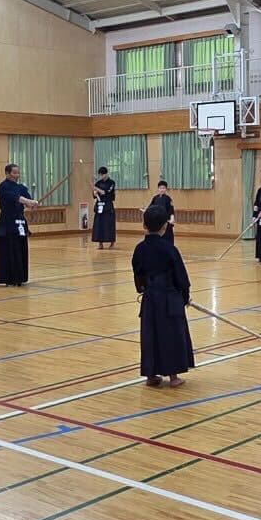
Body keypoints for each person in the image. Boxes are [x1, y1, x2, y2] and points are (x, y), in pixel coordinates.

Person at [132, 205, 195, 388]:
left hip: (150, 297)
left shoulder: (139, 249)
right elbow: (181, 277)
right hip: (169, 296)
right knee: (171, 334)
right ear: (165, 227)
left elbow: (138, 274)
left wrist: (143, 289)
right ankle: (173, 377)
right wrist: (184, 295)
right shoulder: (169, 249)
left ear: (144, 225)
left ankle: (151, 376)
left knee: (151, 335)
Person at [0, 163, 38, 286]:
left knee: (21, 249)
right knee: (9, 250)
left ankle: (20, 277)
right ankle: (8, 278)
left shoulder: (21, 187)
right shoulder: (3, 187)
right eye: (14, 173)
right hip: (7, 222)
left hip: (20, 221)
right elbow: (18, 198)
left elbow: (28, 202)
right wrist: (29, 201)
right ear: (7, 173)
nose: (17, 175)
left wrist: (33, 204)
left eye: (18, 173)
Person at [92, 166, 117, 250]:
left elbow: (105, 192)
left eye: (102, 174)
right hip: (99, 205)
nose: (101, 176)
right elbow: (94, 195)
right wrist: (94, 193)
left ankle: (112, 243)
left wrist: (97, 189)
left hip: (108, 206)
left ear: (106, 174)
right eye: (100, 175)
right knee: (99, 224)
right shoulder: (98, 183)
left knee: (109, 224)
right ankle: (100, 243)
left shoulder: (111, 183)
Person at [151, 179, 176, 246]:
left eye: (163, 188)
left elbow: (171, 210)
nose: (162, 190)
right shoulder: (155, 198)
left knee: (168, 236)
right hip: (157, 222)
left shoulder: (168, 199)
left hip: (166, 222)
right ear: (158, 189)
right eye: (160, 188)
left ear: (166, 189)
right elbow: (151, 208)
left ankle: (170, 248)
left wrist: (172, 218)